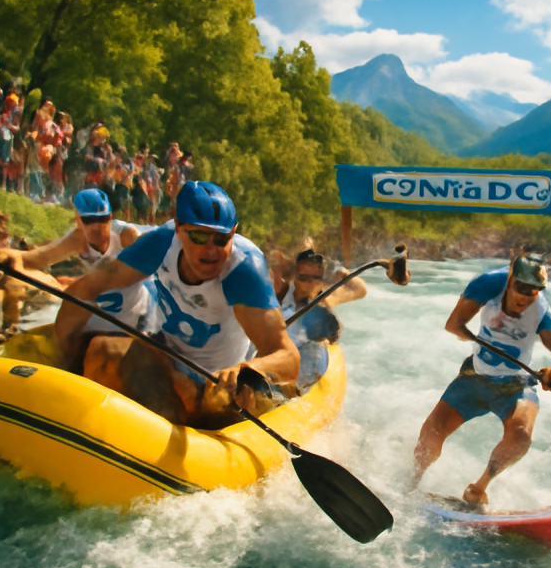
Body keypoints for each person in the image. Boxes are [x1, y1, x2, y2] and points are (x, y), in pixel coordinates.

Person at [54, 182, 299, 428]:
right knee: (104, 350)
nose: (211, 250)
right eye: (200, 236)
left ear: (233, 233)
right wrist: (65, 359)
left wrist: (246, 369)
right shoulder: (161, 242)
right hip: (167, 359)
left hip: (217, 387)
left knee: (220, 401)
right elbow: (85, 289)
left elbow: (288, 358)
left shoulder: (244, 270)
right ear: (179, 229)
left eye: (221, 239)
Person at [411, 254, 551, 506]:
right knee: (430, 435)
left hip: (515, 386)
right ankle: (411, 483)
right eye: (521, 288)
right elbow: (453, 324)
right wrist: (470, 336)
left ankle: (478, 488)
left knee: (521, 436)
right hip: (474, 378)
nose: (525, 297)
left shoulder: (541, 311)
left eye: (534, 291)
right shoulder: (487, 284)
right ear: (510, 280)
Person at [20, 189, 156, 335]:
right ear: (78, 219)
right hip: (110, 298)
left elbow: (154, 268)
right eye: (88, 220)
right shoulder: (75, 240)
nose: (96, 226)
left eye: (102, 219)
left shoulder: (126, 235)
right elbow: (39, 258)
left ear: (110, 217)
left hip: (145, 296)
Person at [272, 248, 367, 390]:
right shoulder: (279, 295)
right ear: (294, 277)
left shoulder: (325, 297)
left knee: (313, 349)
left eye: (316, 278)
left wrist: (341, 272)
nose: (310, 283)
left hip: (306, 353)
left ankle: (293, 387)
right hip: (277, 354)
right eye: (303, 278)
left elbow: (360, 289)